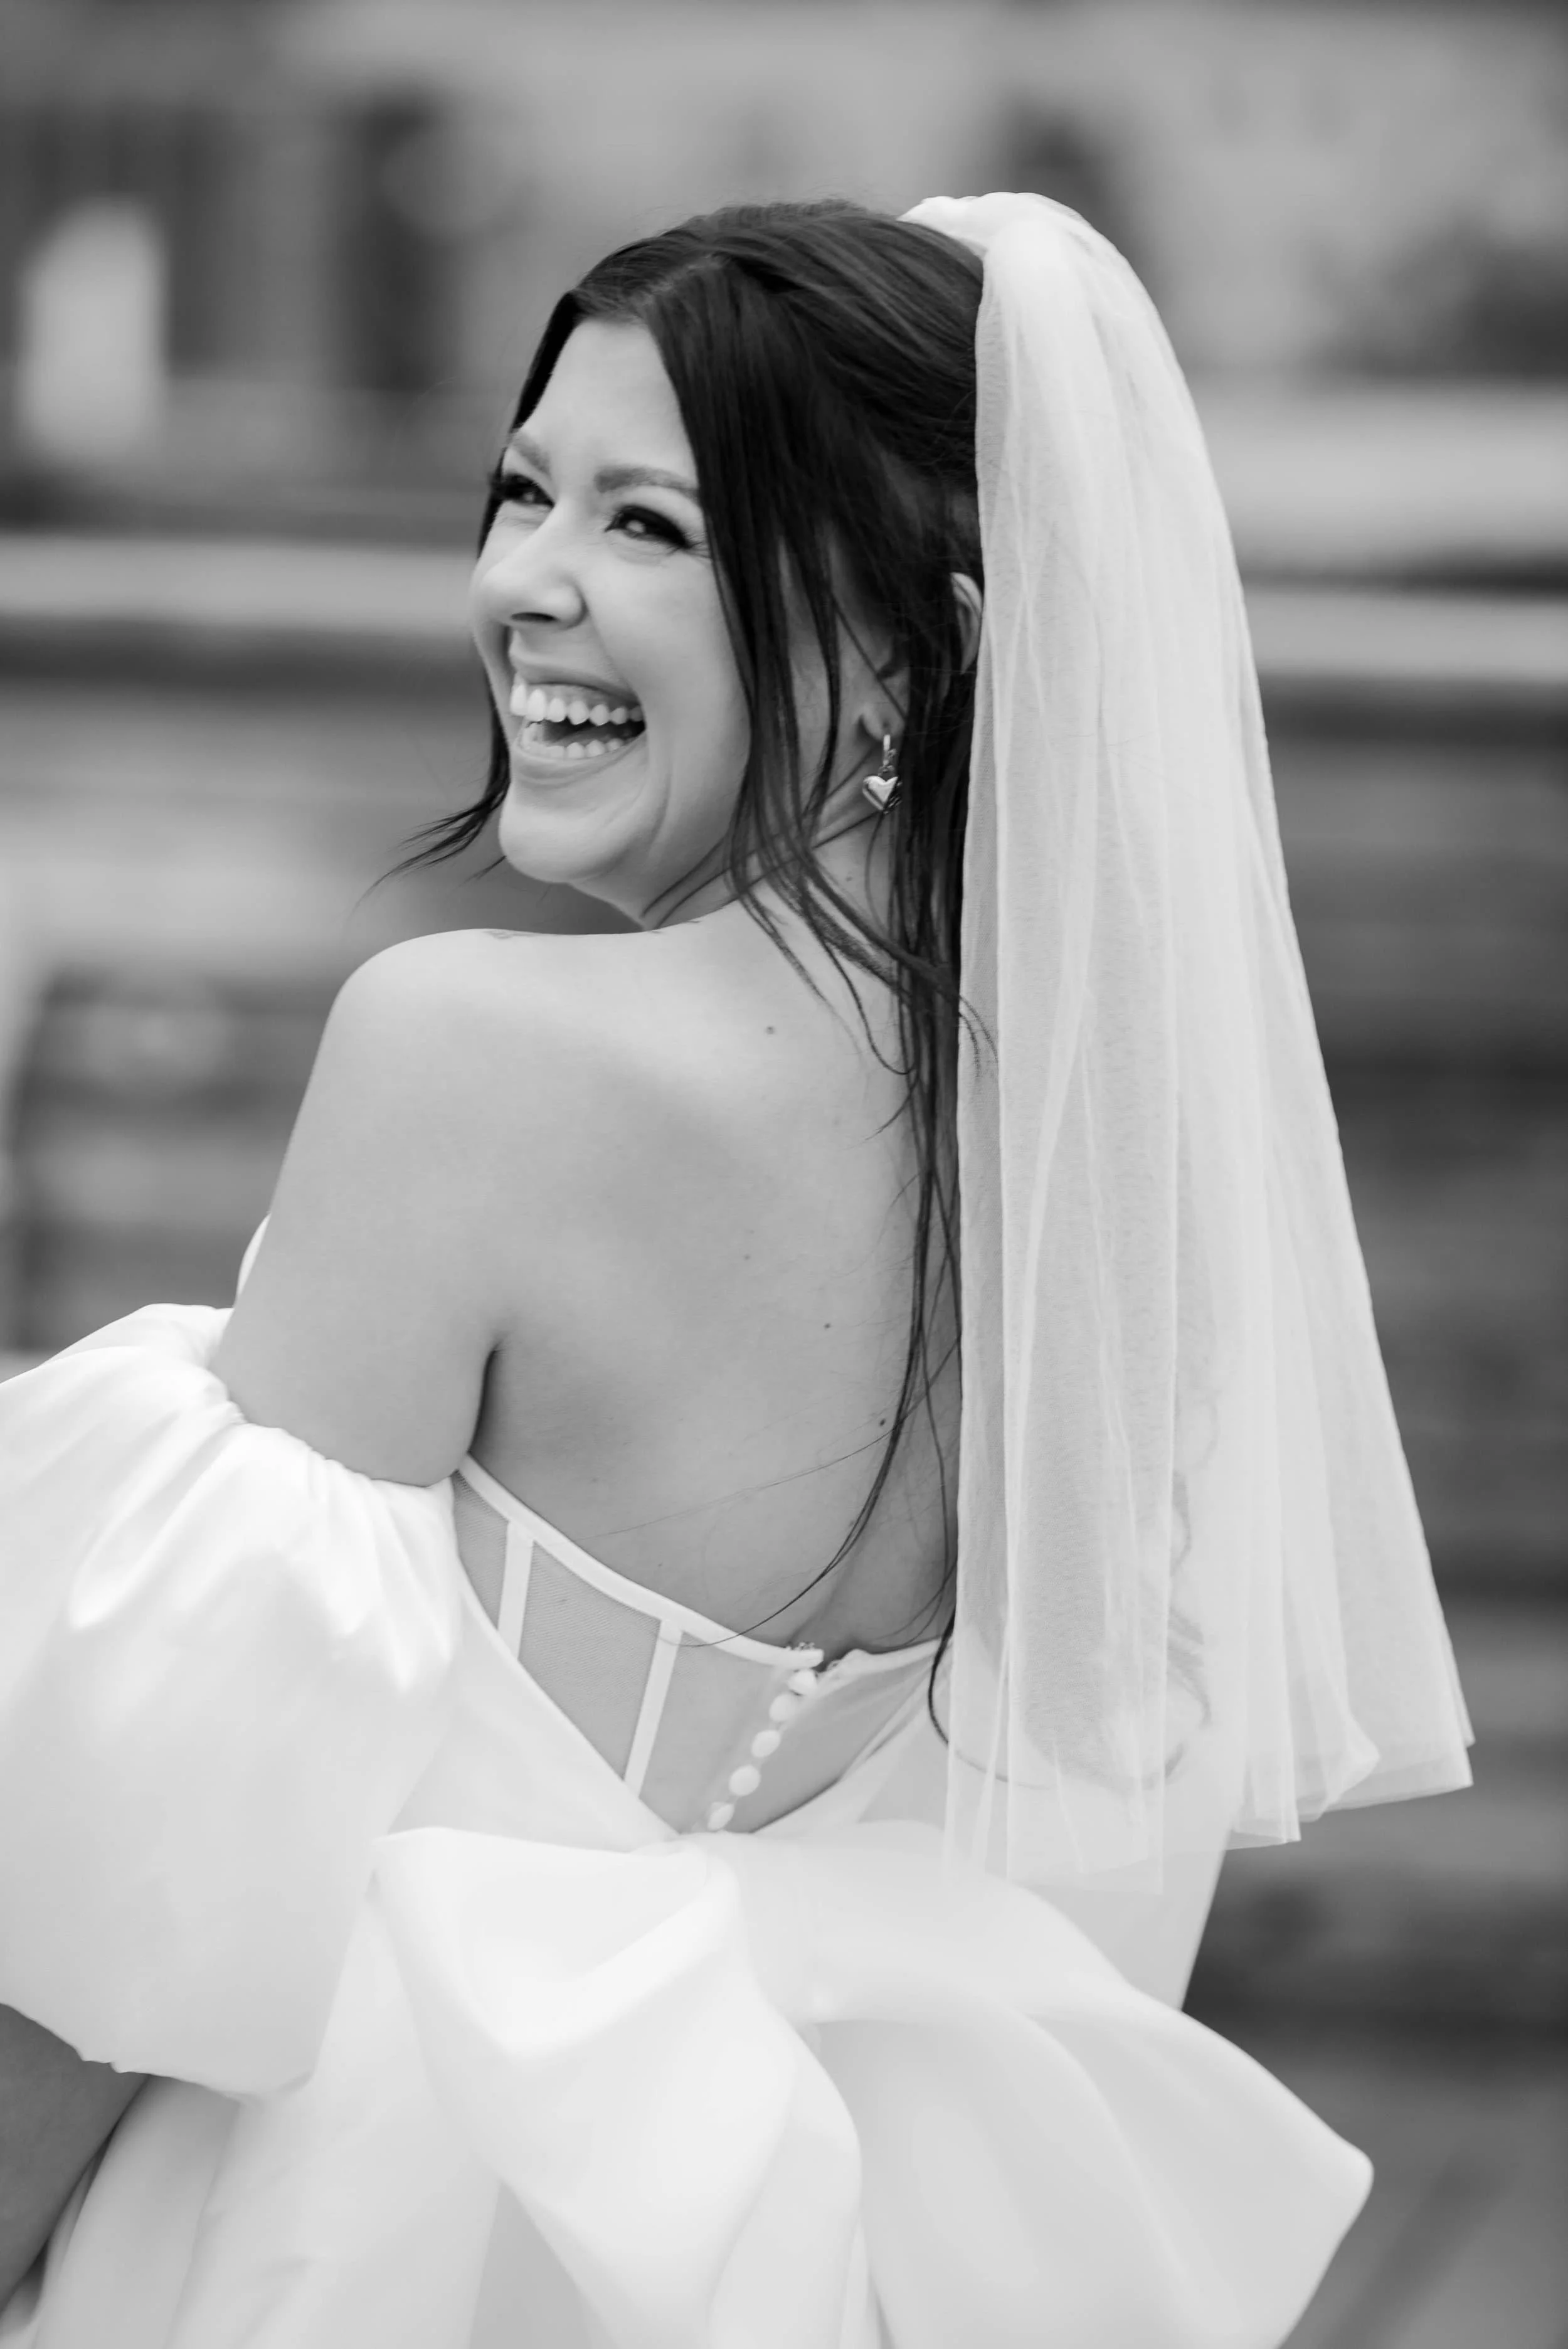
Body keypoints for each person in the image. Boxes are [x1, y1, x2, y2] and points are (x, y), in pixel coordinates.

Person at [0, 195, 1473, 2348]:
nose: (525, 587)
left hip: (356, 2213)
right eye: (521, 494)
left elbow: (161, 1852)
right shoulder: (1090, 1161)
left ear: (924, 637)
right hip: (831, 2201)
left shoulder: (468, 1053)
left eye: (651, 528)